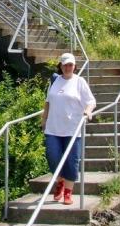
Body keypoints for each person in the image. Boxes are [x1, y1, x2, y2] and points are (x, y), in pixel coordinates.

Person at [41, 52, 96, 205]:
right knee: (52, 157)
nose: (67, 67)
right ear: (60, 66)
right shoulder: (55, 81)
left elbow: (91, 101)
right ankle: (60, 181)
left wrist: (88, 111)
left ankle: (68, 192)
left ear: (74, 66)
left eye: (70, 65)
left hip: (72, 129)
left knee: (72, 161)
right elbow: (48, 102)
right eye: (65, 65)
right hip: (53, 128)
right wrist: (44, 119)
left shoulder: (80, 82)